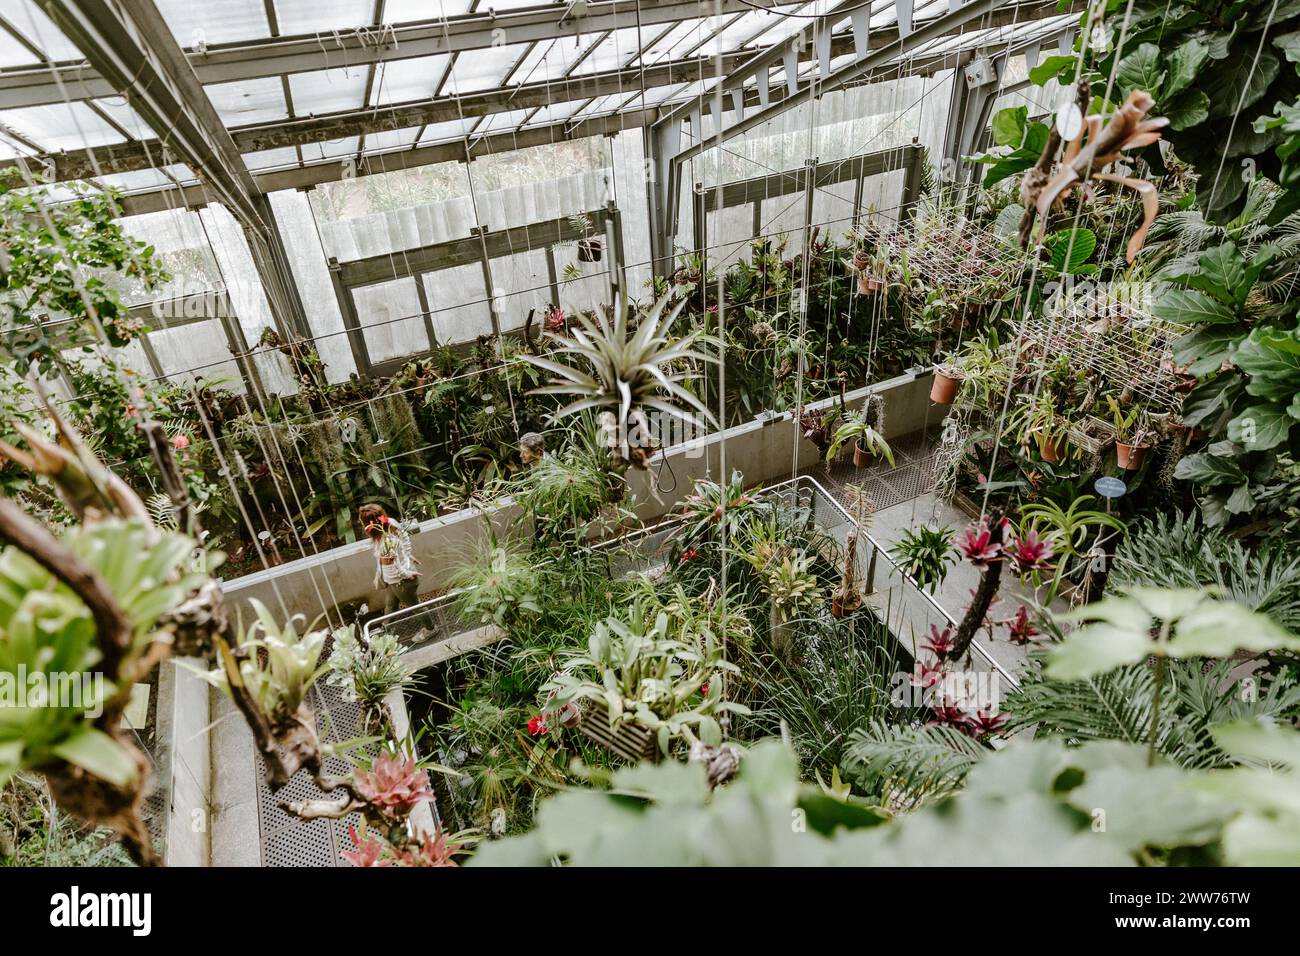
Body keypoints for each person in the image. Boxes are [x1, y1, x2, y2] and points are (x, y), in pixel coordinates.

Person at [358, 503, 419, 615]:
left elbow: (392, 565)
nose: (361, 524)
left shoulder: (384, 544)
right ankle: (386, 629)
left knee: (416, 607)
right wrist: (407, 554)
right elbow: (404, 535)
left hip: (400, 580)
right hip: (396, 579)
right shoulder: (390, 524)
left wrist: (407, 574)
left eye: (362, 522)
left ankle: (431, 629)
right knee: (391, 605)